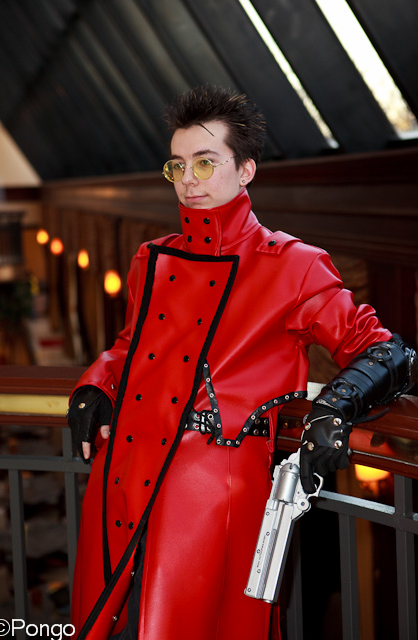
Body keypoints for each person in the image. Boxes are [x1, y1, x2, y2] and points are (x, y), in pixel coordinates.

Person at [67, 85, 416, 640]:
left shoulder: (293, 266)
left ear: (246, 170)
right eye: (177, 165)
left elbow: (386, 351)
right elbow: (130, 347)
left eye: (206, 163)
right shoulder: (150, 260)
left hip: (211, 491)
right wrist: (97, 383)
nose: (189, 179)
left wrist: (334, 409)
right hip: (125, 471)